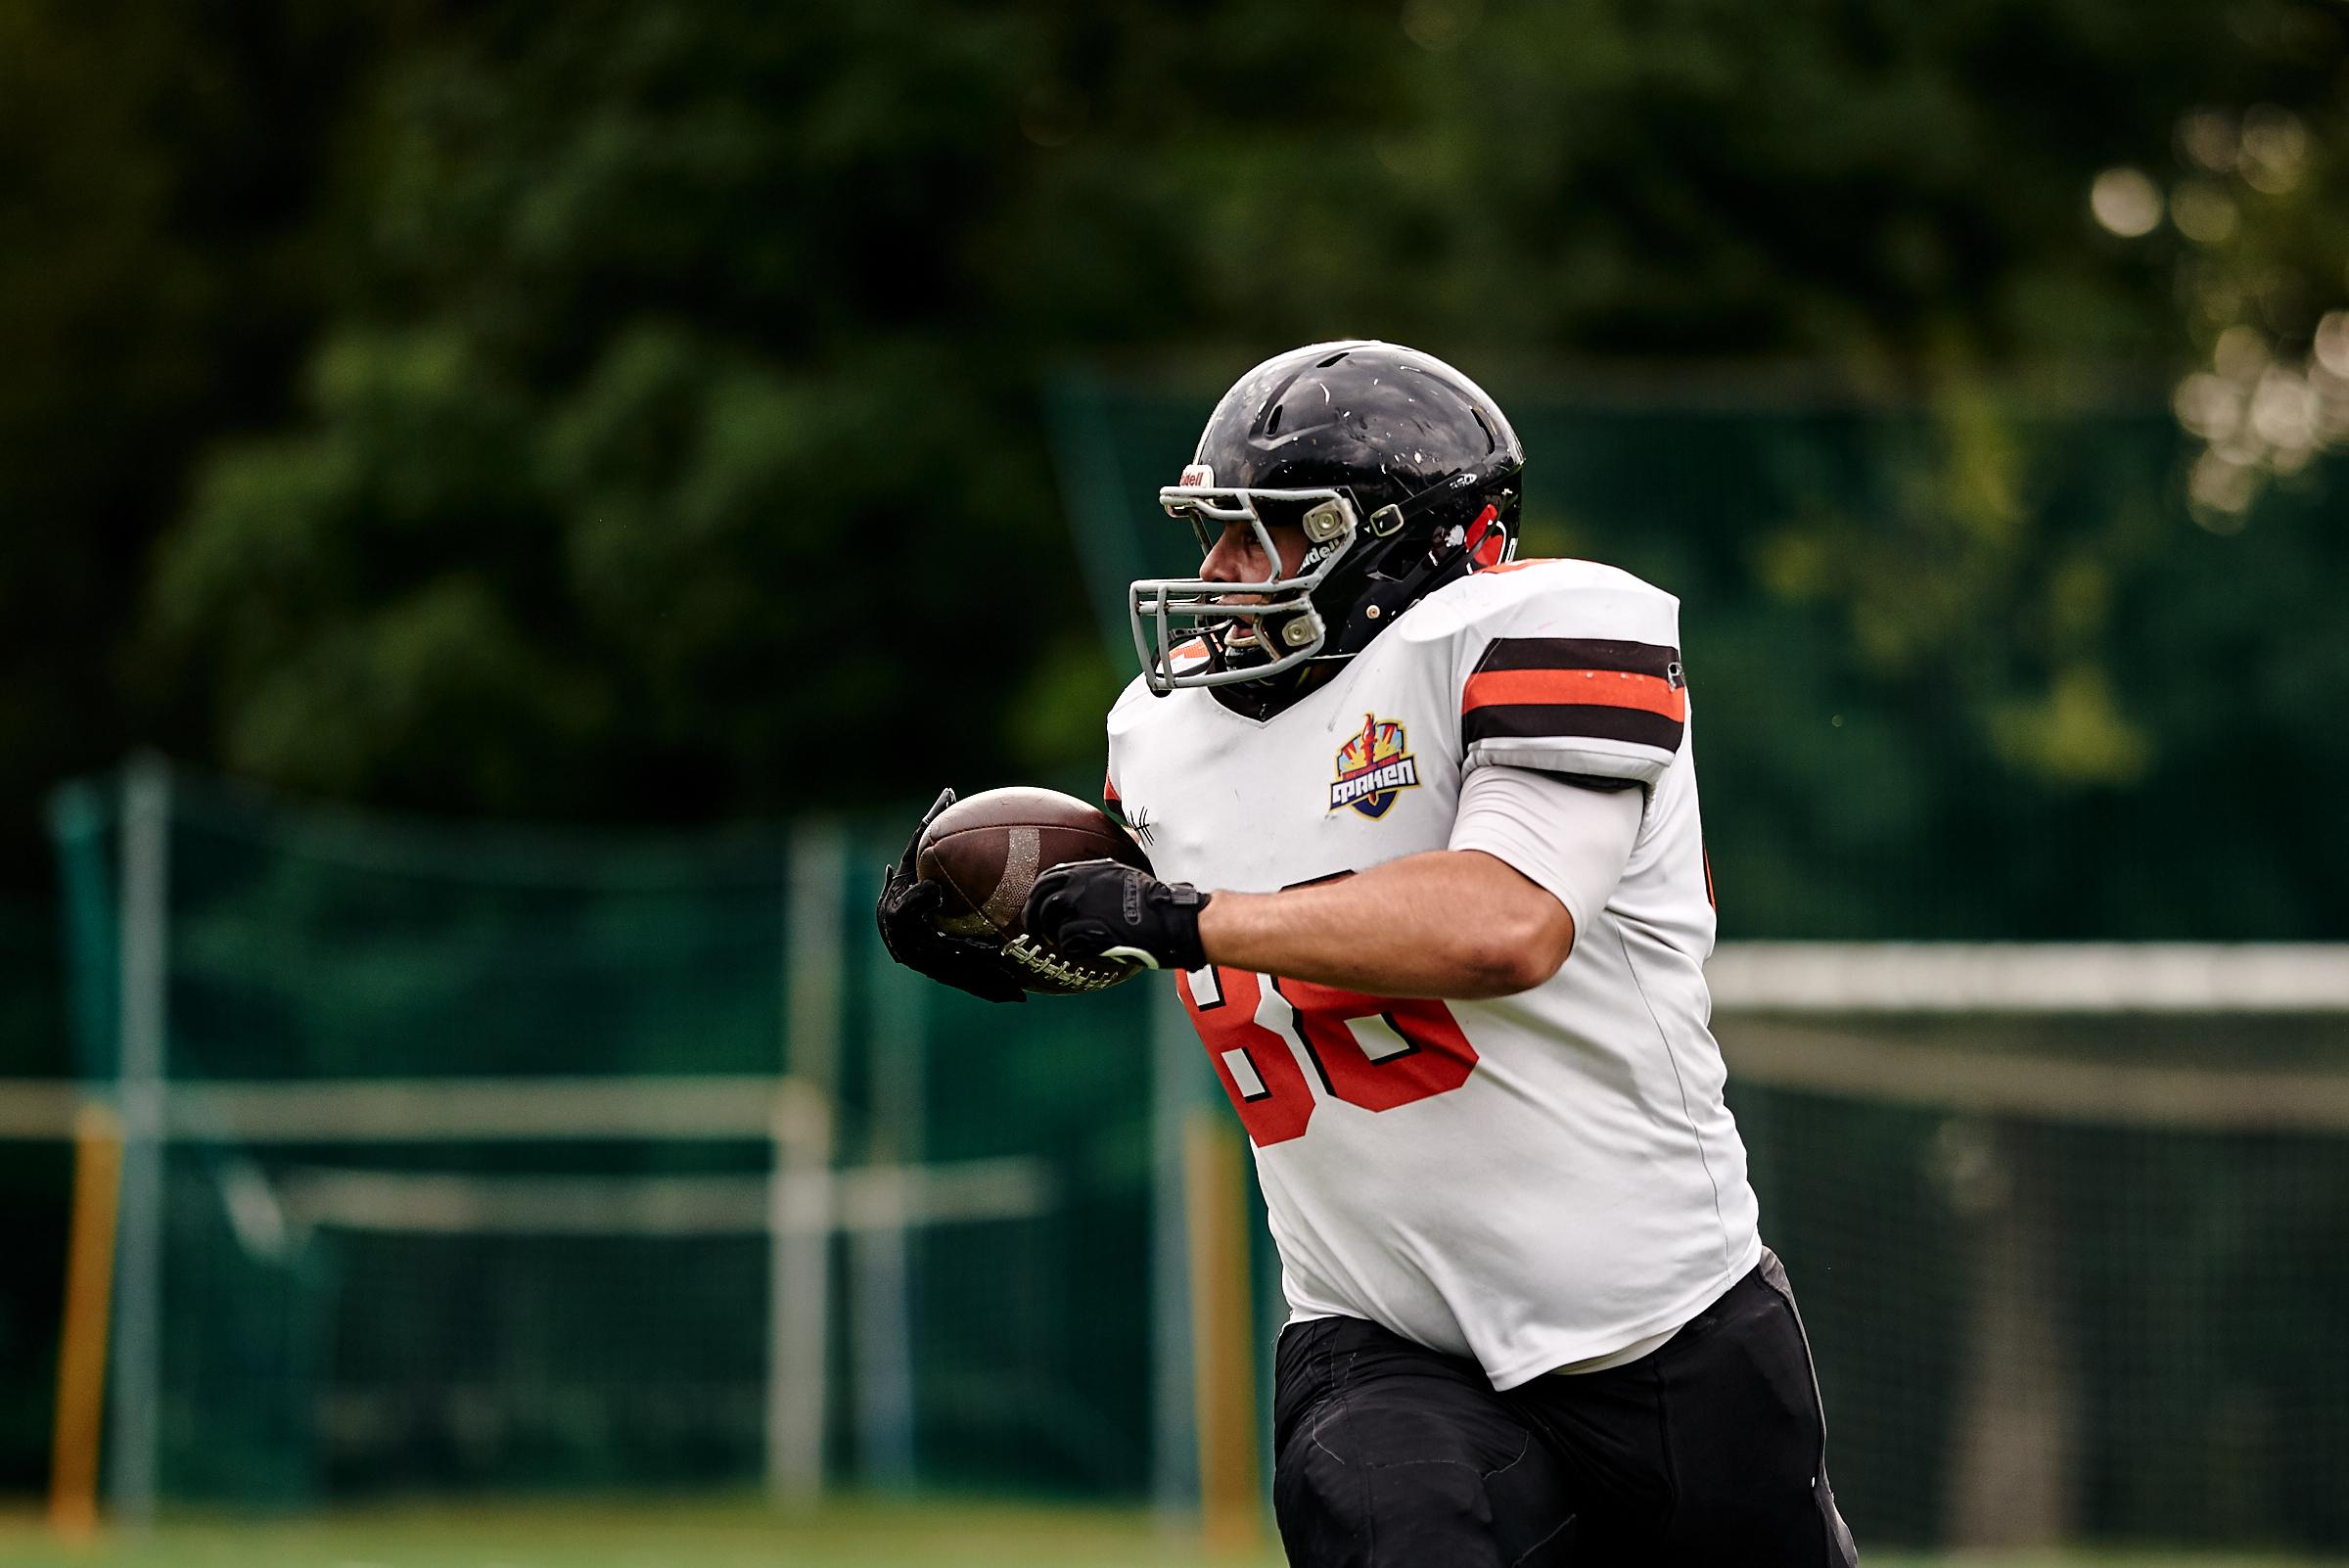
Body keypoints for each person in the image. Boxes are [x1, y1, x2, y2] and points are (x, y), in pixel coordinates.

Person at [877, 341, 1858, 1567]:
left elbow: (1507, 925)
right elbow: (1160, 910)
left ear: (1405, 545)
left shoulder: (1548, 630)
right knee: (1399, 1526)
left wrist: (1183, 920)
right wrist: (1011, 925)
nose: (1220, 573)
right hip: (1373, 1333)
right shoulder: (1166, 733)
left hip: (1658, 1326)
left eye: (1269, 534)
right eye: (1214, 533)